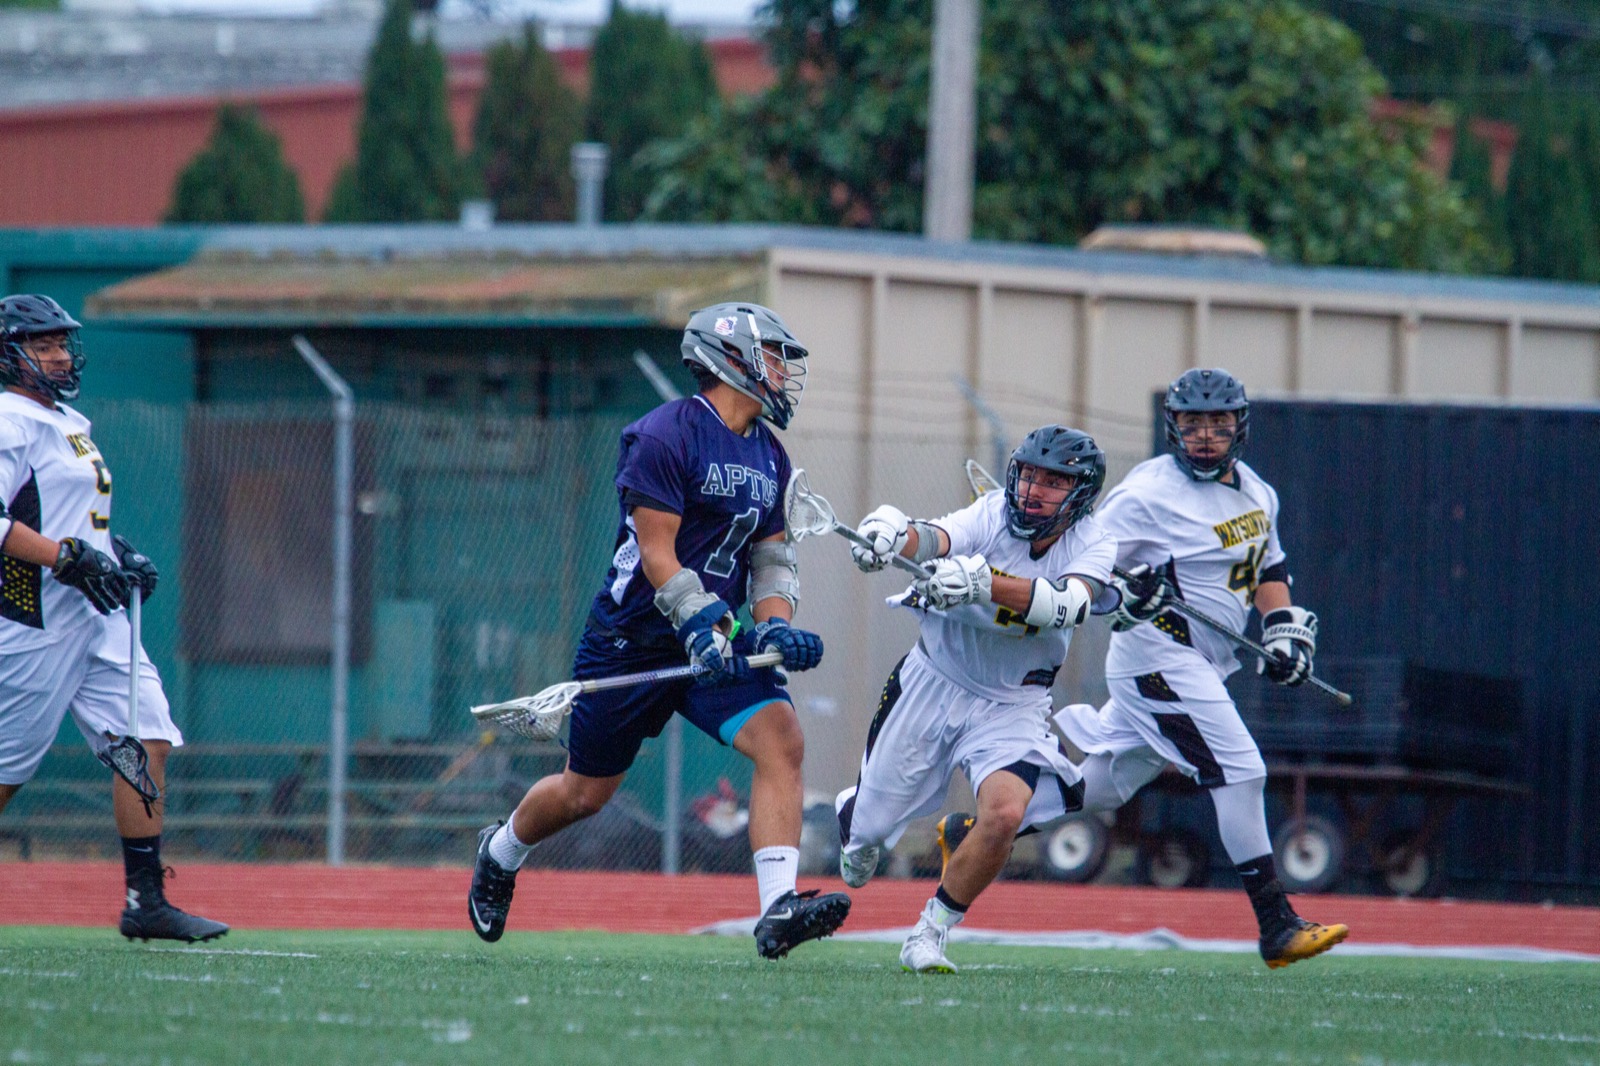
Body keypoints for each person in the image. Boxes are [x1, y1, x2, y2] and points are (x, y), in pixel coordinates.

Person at [467, 303, 850, 959]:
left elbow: (772, 559)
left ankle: (778, 907)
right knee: (586, 793)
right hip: (634, 638)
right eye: (777, 356)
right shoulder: (665, 434)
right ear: (734, 358)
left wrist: (776, 630)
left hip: (718, 638)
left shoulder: (771, 457)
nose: (786, 373)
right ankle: (500, 851)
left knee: (781, 740)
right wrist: (702, 624)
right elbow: (658, 554)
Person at [1052, 367, 1347, 969]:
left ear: (1240, 426)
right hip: (1156, 654)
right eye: (1193, 423)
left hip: (1204, 662)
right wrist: (1128, 591)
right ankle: (1277, 925)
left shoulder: (1257, 492)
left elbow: (1269, 570)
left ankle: (977, 827)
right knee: (1241, 772)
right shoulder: (1148, 492)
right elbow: (1083, 563)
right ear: (1173, 428)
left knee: (1103, 786)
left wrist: (1283, 629)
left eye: (1219, 422)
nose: (1207, 435)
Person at [836, 425, 1114, 973]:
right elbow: (933, 538)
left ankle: (929, 932)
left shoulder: (1095, 543)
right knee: (869, 832)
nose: (1034, 489)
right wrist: (892, 534)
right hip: (933, 682)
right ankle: (855, 813)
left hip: (1013, 704)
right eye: (1029, 474)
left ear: (1080, 494)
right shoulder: (990, 513)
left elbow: (1070, 605)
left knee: (1006, 814)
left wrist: (987, 583)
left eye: (1053, 481)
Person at [0, 293, 228, 943]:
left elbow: (74, 517)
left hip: (98, 616)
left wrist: (116, 553)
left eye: (61, 343)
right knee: (6, 772)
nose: (59, 354)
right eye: (42, 344)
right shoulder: (7, 420)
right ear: (8, 354)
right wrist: (65, 559)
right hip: (33, 618)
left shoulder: (66, 419)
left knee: (146, 739)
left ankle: (145, 900)